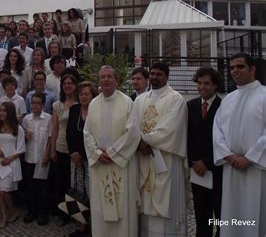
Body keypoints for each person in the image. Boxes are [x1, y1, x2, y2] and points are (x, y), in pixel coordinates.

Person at [213, 53, 266, 237]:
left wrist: (250, 158)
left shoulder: (264, 95)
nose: (235, 70)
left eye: (240, 67)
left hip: (257, 169)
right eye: (232, 67)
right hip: (232, 168)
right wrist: (230, 156)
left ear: (252, 69)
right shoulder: (228, 99)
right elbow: (217, 132)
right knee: (232, 217)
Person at [133, 62, 188, 236]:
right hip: (143, 158)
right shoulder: (141, 99)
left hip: (166, 160)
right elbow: (132, 124)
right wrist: (138, 143)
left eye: (159, 74)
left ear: (167, 76)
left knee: (167, 199)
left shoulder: (176, 99)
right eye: (153, 74)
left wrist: (146, 141)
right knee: (145, 200)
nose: (155, 77)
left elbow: (171, 128)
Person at [84, 67, 140, 237]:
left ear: (116, 80)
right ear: (99, 81)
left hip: (120, 165)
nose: (106, 80)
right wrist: (97, 154)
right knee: (100, 208)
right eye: (102, 77)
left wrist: (113, 153)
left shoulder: (127, 102)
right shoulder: (93, 103)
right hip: (100, 164)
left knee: (123, 207)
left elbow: (133, 133)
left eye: (109, 76)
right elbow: (87, 133)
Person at [188, 67, 223, 237]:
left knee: (219, 210)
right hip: (197, 171)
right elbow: (187, 137)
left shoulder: (223, 106)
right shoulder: (191, 106)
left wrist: (207, 162)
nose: (202, 87)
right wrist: (194, 162)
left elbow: (224, 140)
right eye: (199, 83)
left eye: (206, 83)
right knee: (201, 211)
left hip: (217, 169)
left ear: (215, 85)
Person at [66, 82, 97, 236]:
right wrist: (73, 153)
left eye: (87, 94)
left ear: (93, 96)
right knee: (76, 191)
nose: (84, 97)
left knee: (91, 192)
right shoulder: (74, 109)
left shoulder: (97, 111)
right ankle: (80, 226)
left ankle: (93, 226)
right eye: (81, 94)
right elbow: (69, 133)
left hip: (91, 158)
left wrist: (83, 155)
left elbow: (96, 136)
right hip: (75, 159)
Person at [0, 102, 26, 229]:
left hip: (11, 163)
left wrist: (9, 159)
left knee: (5, 191)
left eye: (4, 111)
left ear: (10, 112)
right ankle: (5, 215)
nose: (2, 113)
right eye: (1, 111)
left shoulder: (18, 129)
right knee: (0, 191)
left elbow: (21, 148)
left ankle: (12, 211)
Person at [51, 73, 79, 226]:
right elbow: (54, 128)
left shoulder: (80, 103)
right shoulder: (57, 105)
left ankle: (77, 214)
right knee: (61, 182)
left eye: (70, 83)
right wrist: (52, 150)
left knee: (75, 184)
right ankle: (63, 214)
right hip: (61, 147)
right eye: (65, 83)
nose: (67, 86)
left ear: (75, 85)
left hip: (76, 148)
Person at [22, 92, 52, 225]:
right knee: (30, 187)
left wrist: (47, 154)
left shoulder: (48, 118)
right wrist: (25, 136)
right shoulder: (26, 119)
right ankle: (31, 211)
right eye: (33, 102)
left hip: (41, 158)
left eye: (38, 103)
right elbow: (21, 137)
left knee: (43, 188)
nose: (35, 105)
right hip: (29, 157)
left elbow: (50, 138)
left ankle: (43, 213)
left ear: (43, 104)